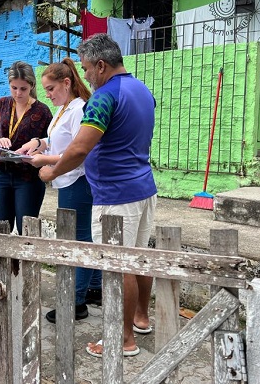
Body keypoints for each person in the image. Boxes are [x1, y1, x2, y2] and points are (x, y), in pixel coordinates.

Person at [39, 33, 157, 358]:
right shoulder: (142, 90)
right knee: (140, 257)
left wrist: (52, 171)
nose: (86, 75)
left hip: (115, 194)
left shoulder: (104, 97)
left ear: (101, 65)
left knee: (117, 266)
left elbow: (79, 148)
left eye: (88, 68)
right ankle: (141, 318)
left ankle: (123, 339)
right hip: (144, 188)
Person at [17, 58, 102, 323]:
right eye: (45, 90)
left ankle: (76, 302)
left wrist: (46, 162)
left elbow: (78, 153)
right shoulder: (63, 109)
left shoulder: (79, 110)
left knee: (78, 239)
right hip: (67, 180)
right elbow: (57, 141)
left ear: (67, 83)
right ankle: (94, 288)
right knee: (82, 235)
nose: (47, 95)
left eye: (51, 88)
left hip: (77, 179)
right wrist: (39, 143)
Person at [0, 61, 53, 233]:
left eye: (23, 88)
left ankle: (24, 261)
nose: (18, 93)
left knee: (27, 230)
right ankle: (6, 261)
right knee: (0, 229)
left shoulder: (42, 111)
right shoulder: (1, 105)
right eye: (14, 88)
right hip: (1, 174)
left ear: (31, 86)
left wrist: (37, 147)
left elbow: (51, 141)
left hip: (28, 178)